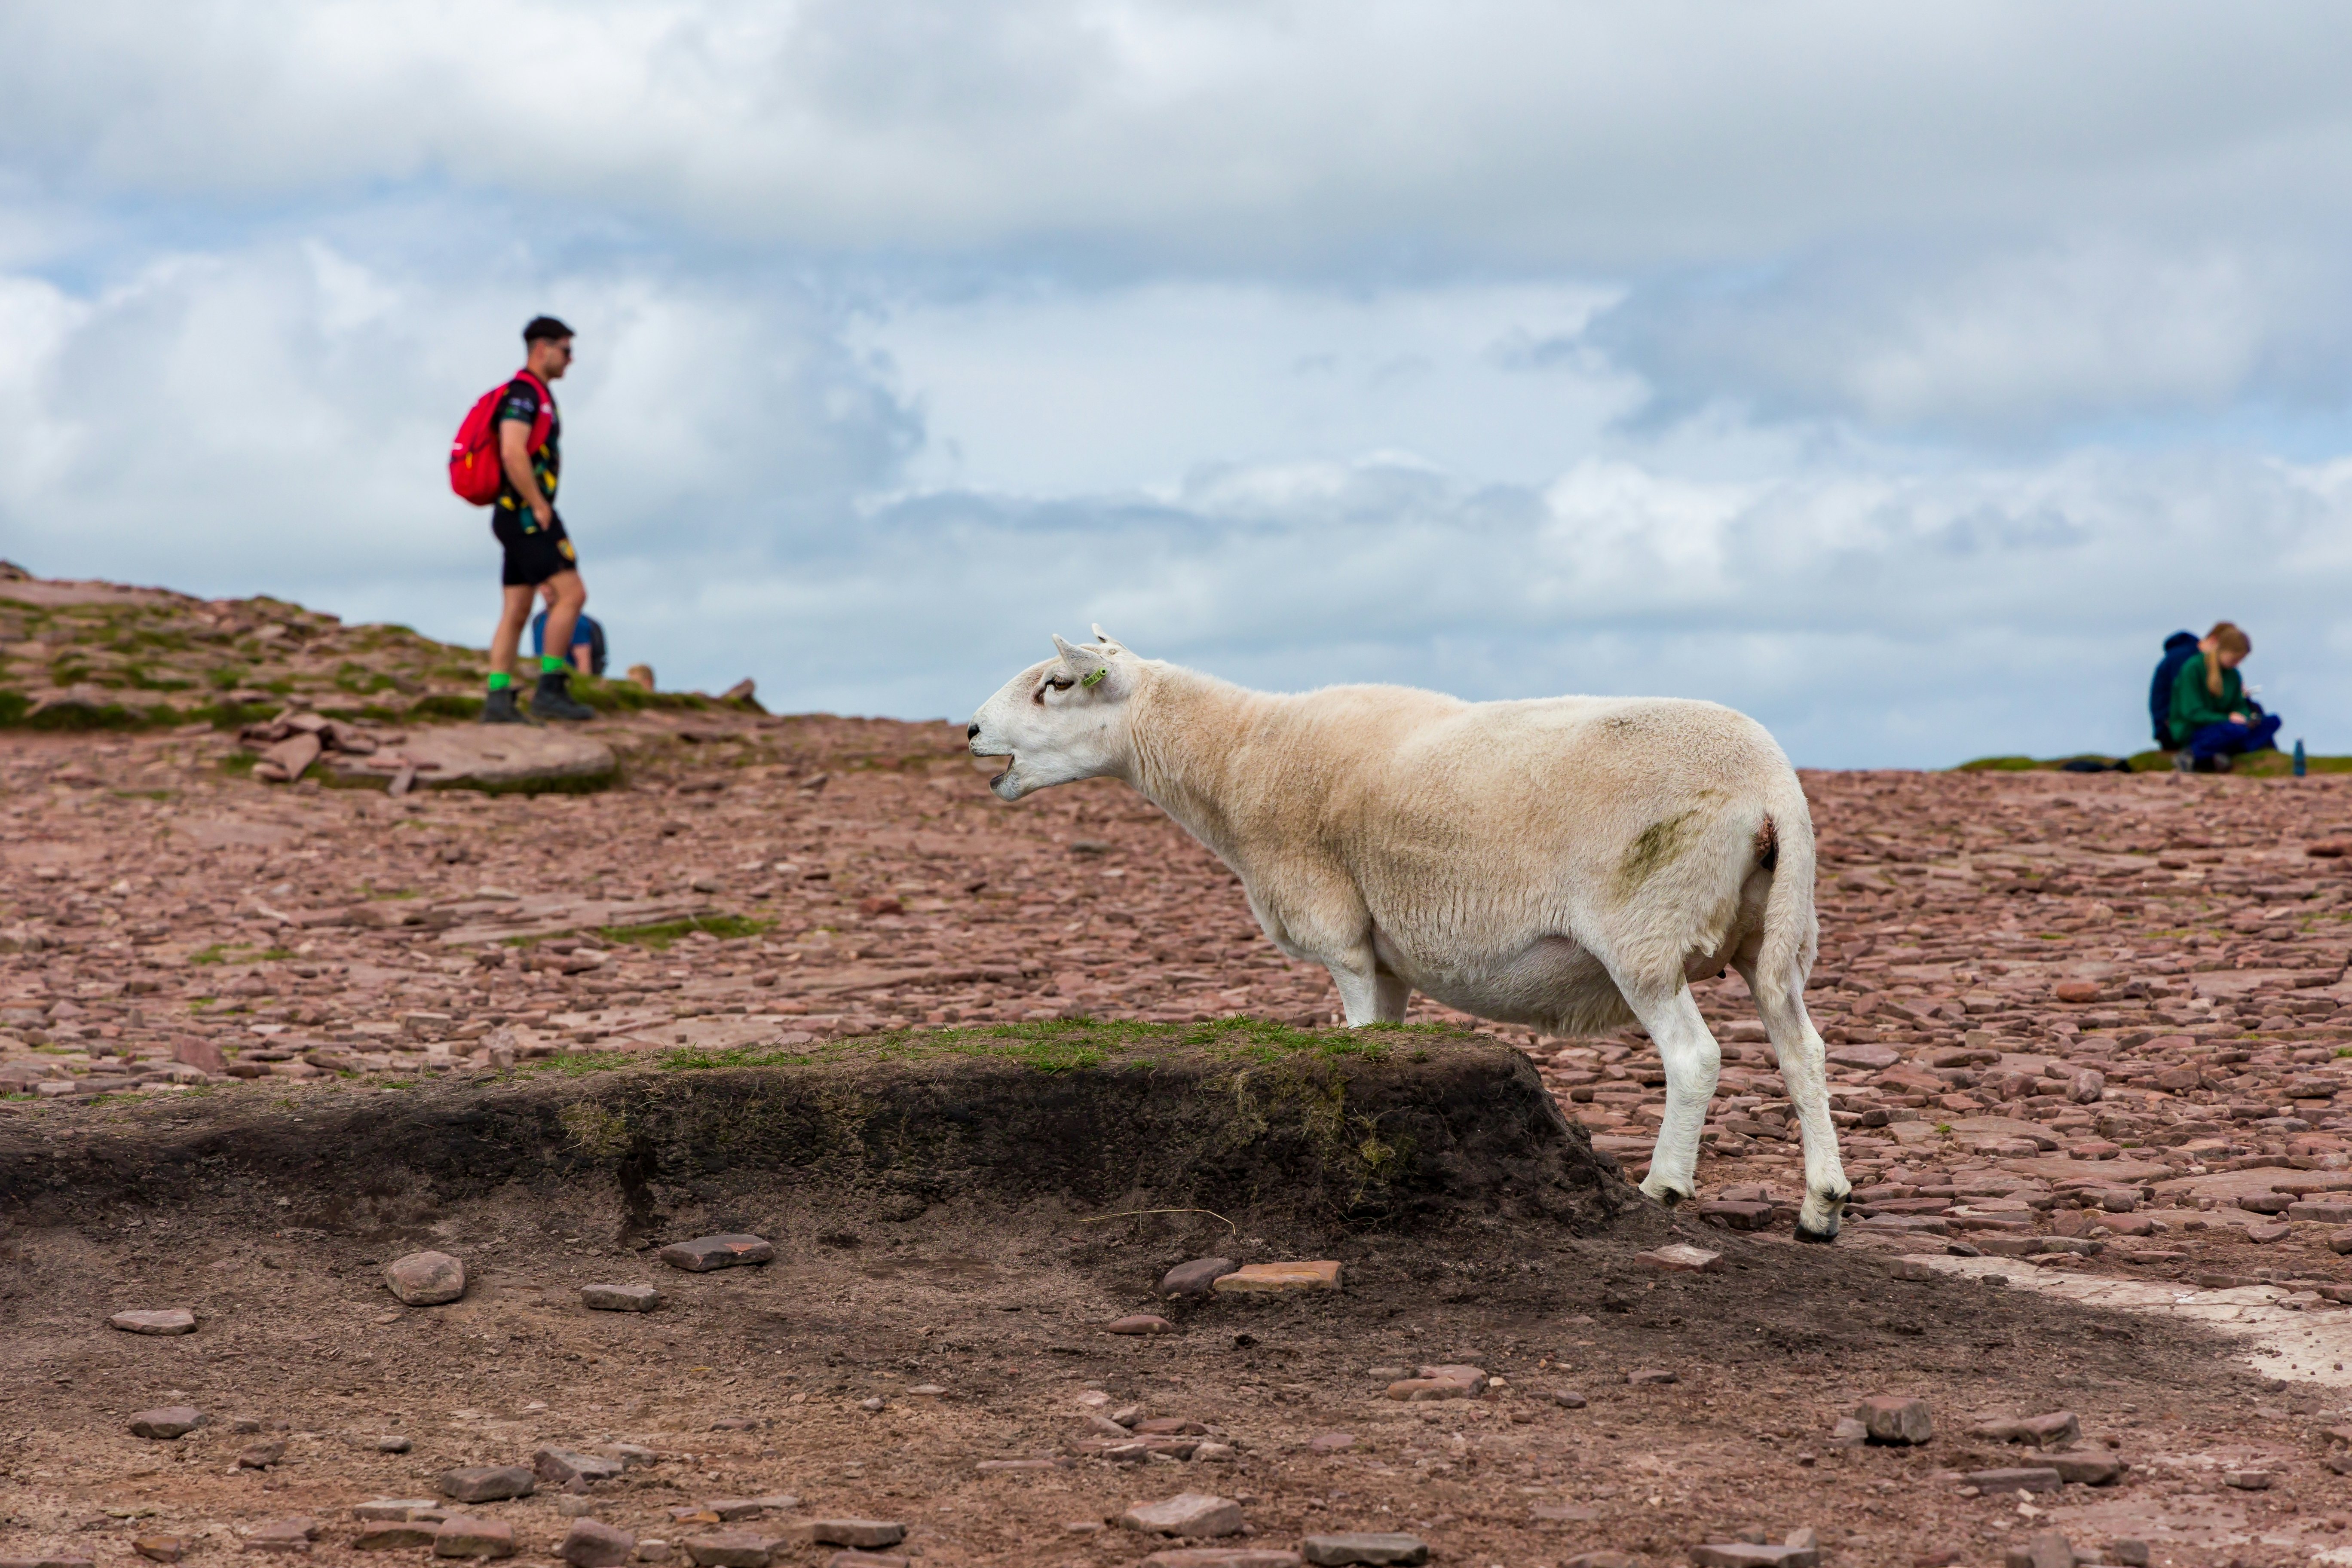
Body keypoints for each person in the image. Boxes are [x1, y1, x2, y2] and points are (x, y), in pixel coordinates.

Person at [483, 316, 594, 723]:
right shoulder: (524, 395)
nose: (571, 359)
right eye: (566, 350)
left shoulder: (534, 394)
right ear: (542, 349)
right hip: (527, 513)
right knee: (572, 595)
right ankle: (550, 689)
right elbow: (512, 451)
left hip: (513, 514)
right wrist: (539, 504)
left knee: (517, 608)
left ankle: (498, 699)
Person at [2168, 621, 2281, 772]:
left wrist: (2247, 719)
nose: (2237, 664)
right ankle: (2193, 753)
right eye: (2235, 659)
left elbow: (2239, 706)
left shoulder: (2233, 675)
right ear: (2223, 650)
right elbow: (2192, 713)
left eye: (2240, 660)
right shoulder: (2193, 668)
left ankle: (2219, 753)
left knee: (2273, 721)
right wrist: (2227, 718)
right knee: (2236, 731)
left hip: (2229, 726)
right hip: (2196, 729)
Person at [2149, 629, 2200, 749]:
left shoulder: (2176, 656)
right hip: (2174, 727)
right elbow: (2186, 696)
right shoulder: (2187, 657)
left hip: (2167, 725)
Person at [530, 605, 606, 677]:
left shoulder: (577, 622)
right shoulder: (539, 619)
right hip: (543, 677)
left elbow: (583, 663)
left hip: (565, 679)